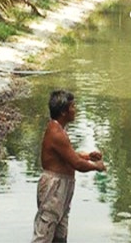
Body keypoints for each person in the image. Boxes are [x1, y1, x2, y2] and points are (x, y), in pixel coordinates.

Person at [32, 90, 106, 243]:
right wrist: (96, 167)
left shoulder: (59, 129)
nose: (75, 110)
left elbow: (67, 156)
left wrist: (88, 156)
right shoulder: (56, 132)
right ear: (63, 111)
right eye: (72, 106)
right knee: (44, 234)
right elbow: (76, 164)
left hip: (62, 186)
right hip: (54, 187)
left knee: (60, 235)